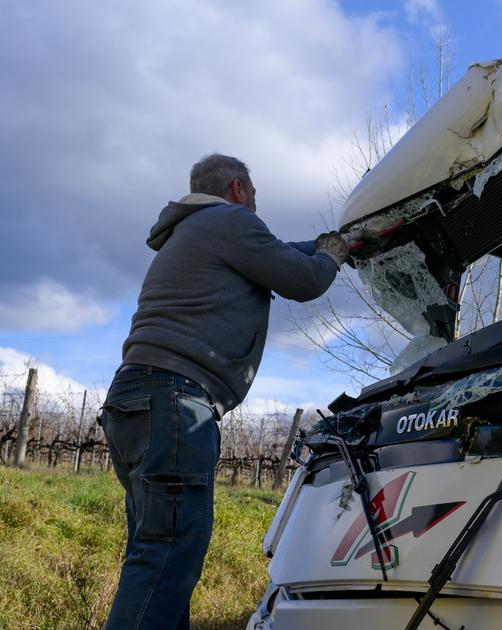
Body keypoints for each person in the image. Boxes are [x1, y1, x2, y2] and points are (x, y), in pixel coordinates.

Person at [98, 154, 348, 629]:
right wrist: (331, 256)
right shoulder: (230, 221)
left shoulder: (194, 231)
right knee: (168, 553)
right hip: (175, 402)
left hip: (134, 401)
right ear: (237, 189)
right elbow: (304, 277)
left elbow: (278, 252)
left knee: (158, 558)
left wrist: (322, 244)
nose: (255, 204)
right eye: (254, 194)